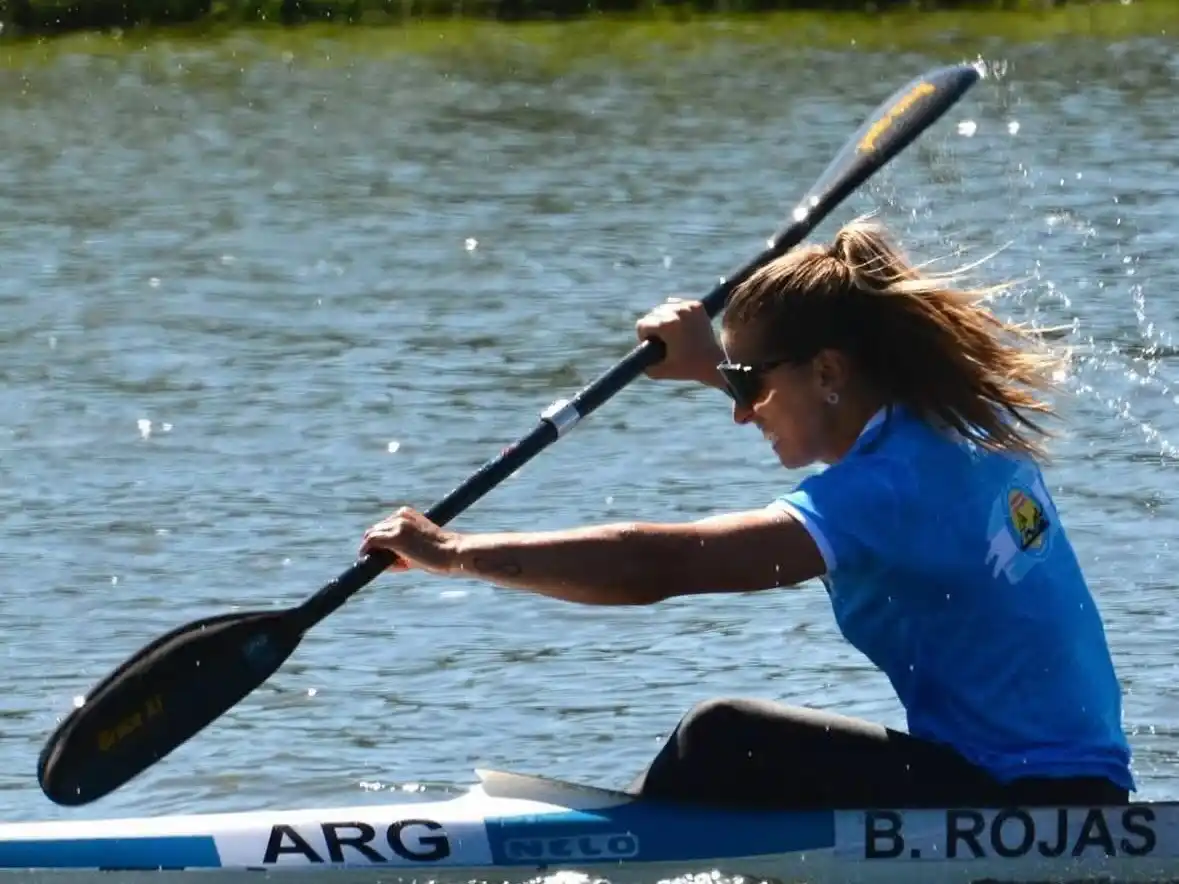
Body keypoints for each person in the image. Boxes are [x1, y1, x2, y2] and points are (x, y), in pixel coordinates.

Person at [359, 216, 1135, 810]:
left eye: (750, 385)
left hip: (1017, 801)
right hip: (1062, 789)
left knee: (721, 734)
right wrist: (718, 367)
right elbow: (823, 422)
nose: (740, 411)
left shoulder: (885, 491)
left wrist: (454, 552)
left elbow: (655, 566)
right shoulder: (946, 428)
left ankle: (615, 857)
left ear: (828, 370)